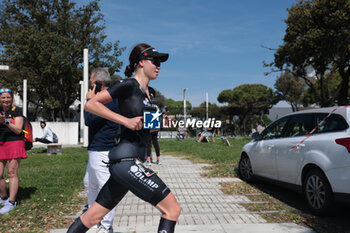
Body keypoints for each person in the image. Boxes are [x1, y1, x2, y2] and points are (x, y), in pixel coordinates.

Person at [66, 43, 181, 233]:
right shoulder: (127, 85)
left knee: (92, 216)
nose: (159, 65)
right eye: (155, 60)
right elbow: (91, 105)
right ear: (141, 62)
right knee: (172, 210)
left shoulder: (151, 93)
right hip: (126, 161)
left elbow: (148, 129)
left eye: (160, 62)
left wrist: (162, 123)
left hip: (132, 160)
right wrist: (126, 121)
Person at [83, 68, 119, 233]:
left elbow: (88, 120)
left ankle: (106, 225)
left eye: (91, 84)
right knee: (89, 183)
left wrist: (88, 102)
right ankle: (93, 217)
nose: (90, 88)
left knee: (105, 187)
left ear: (98, 84)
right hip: (95, 149)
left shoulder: (107, 101)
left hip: (102, 149)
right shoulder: (102, 100)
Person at [0, 88, 27, 214]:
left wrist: (5, 122)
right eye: (3, 97)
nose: (6, 100)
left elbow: (18, 130)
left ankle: (12, 201)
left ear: (12, 98)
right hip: (1, 143)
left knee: (12, 172)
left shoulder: (17, 110)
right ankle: (4, 197)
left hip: (15, 142)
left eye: (8, 97)